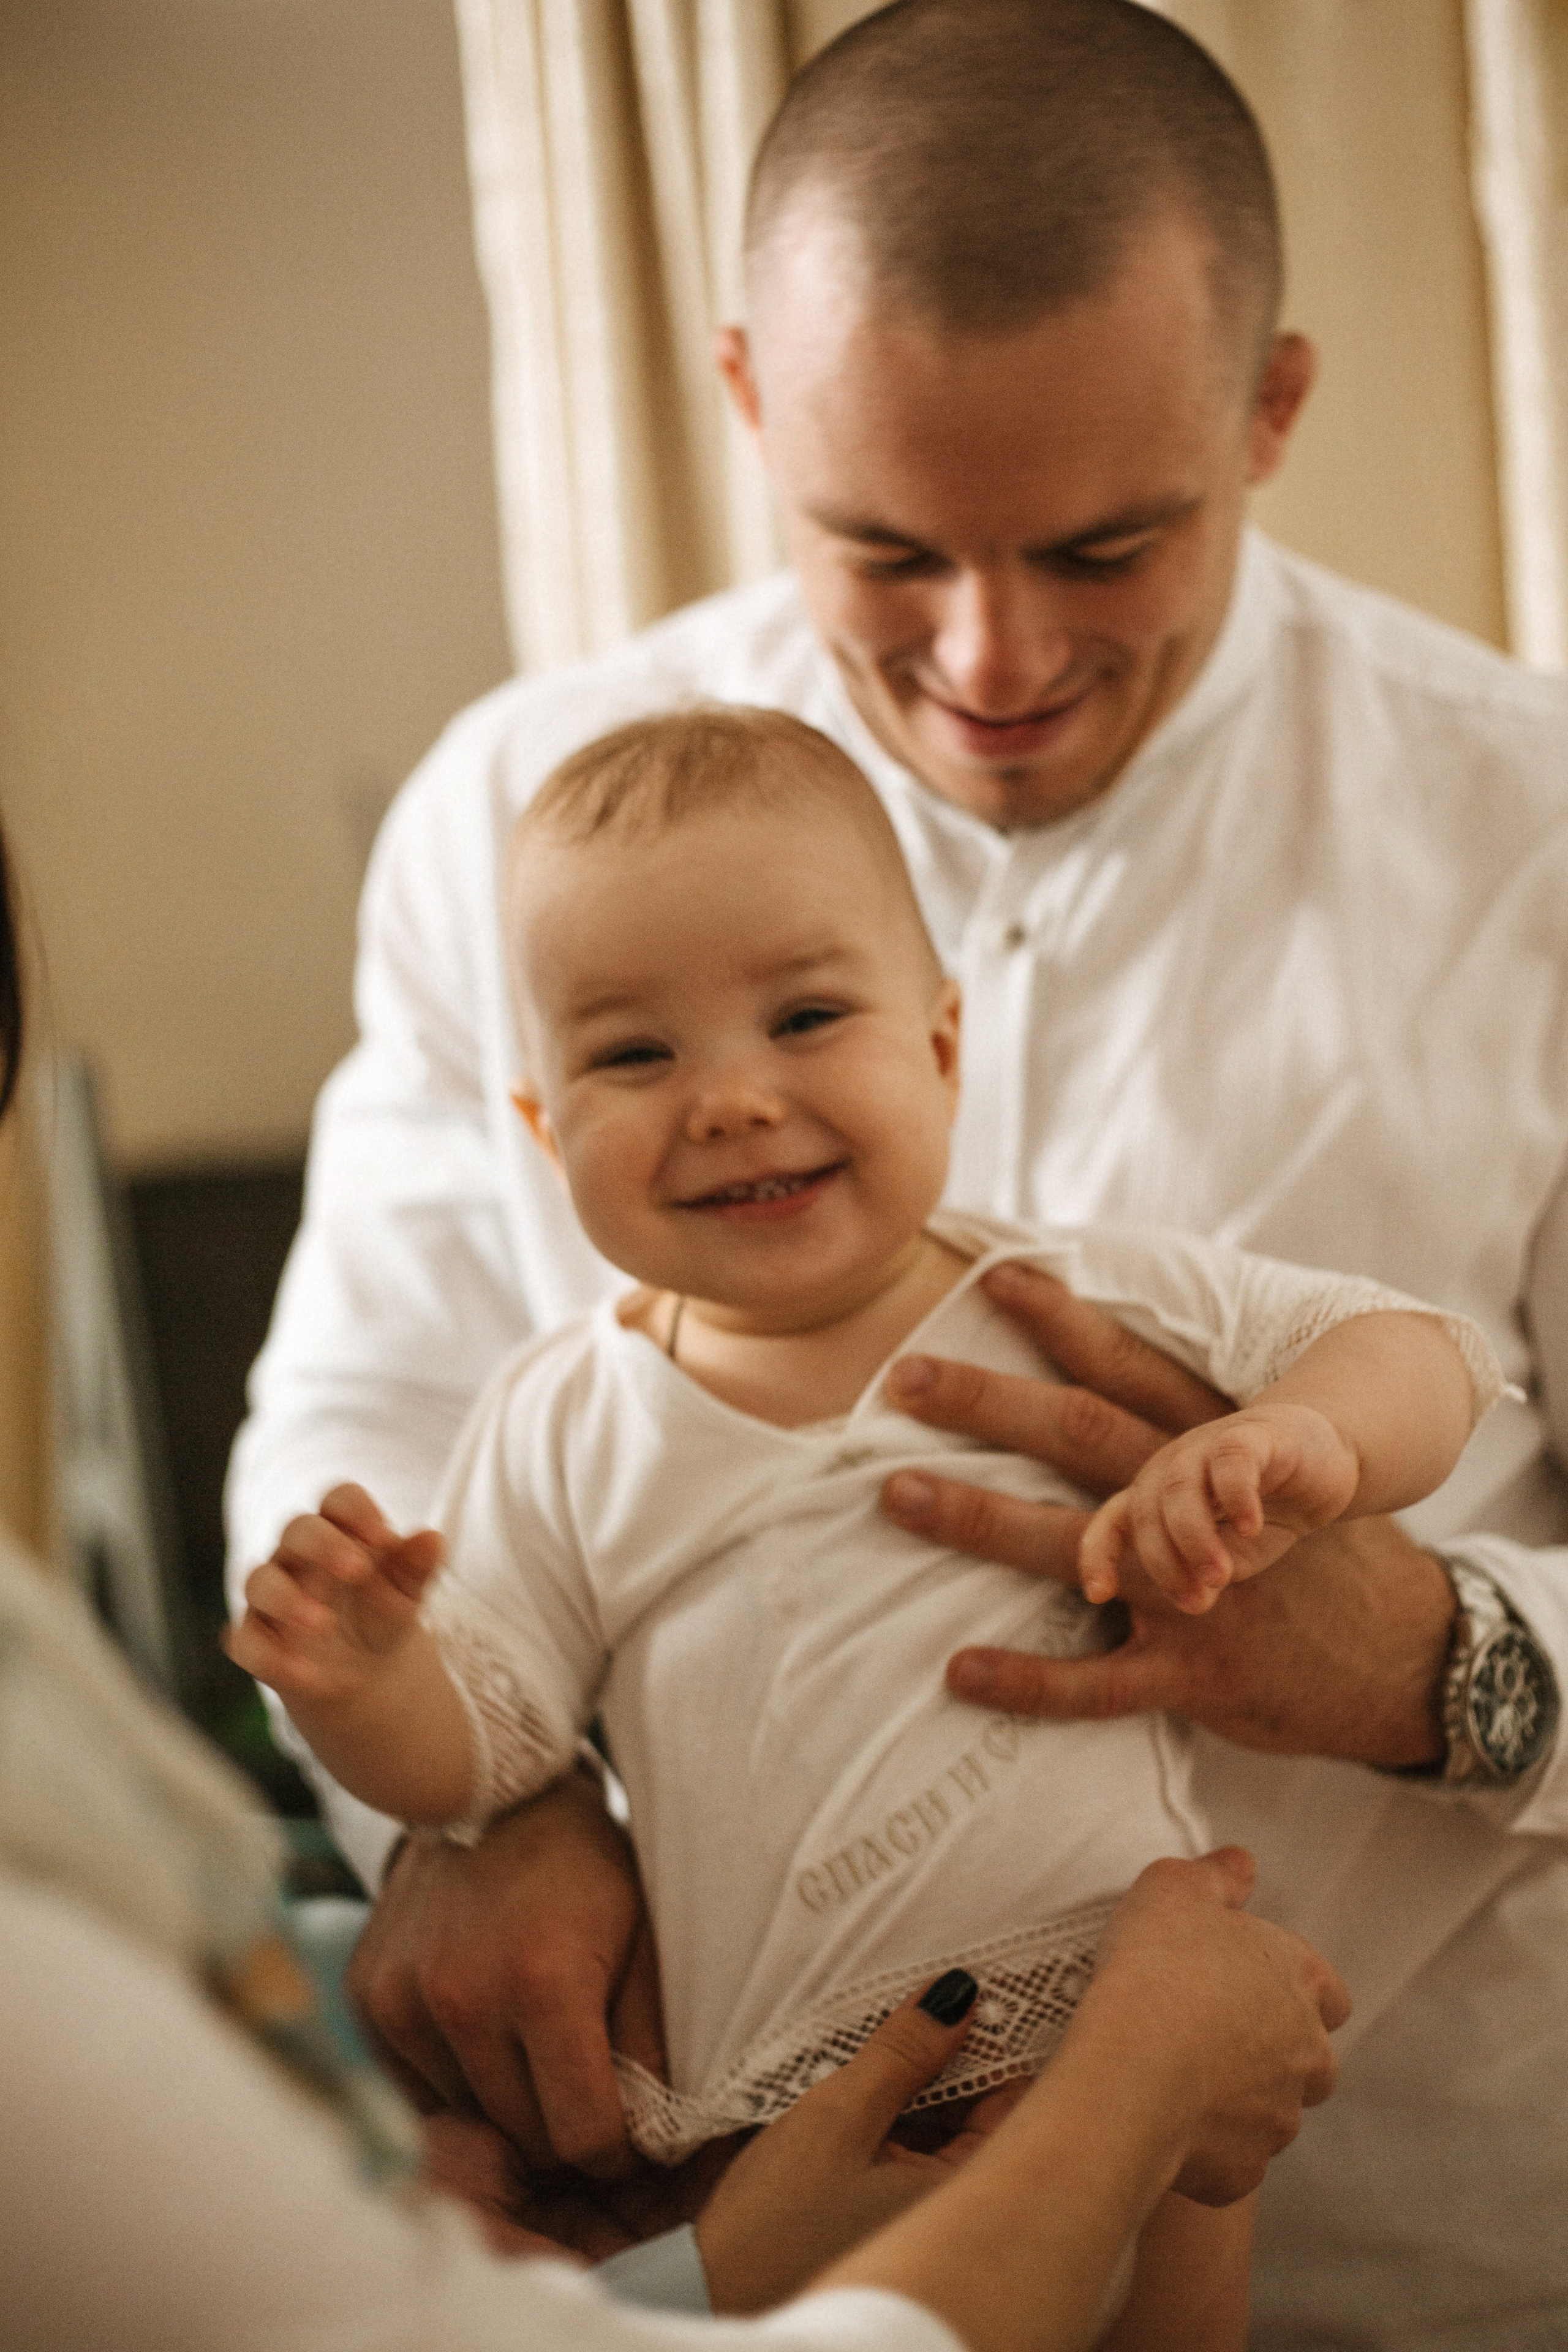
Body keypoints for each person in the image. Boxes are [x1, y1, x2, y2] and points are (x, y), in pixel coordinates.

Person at [226, 4, 1568, 2344]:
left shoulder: (1535, 840)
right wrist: (481, 1798)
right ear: (751, 399)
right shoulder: (512, 814)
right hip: (776, 2249)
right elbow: (367, 1410)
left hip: (1424, 2237)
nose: (989, 656)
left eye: (1105, 545)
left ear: (1269, 410)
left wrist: (1439, 1666)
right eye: (885, 549)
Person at [0, 812, 1354, 2352]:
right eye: (634, 1057)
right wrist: (366, 1683)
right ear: (541, 1127)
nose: (729, 1100)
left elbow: (1392, 1348)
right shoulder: (564, 1419)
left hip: (1133, 1979)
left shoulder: (1061, 1294)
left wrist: (1299, 1439)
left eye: (805, 1019)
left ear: (939, 1045)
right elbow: (484, 1750)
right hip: (793, 2100)